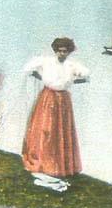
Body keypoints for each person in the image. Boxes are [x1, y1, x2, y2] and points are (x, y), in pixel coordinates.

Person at [22, 37, 90, 192]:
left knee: (61, 132)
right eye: (59, 50)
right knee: (46, 130)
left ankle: (61, 165)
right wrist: (39, 76)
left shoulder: (72, 65)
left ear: (69, 52)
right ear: (55, 50)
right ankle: (43, 161)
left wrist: (73, 80)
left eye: (65, 51)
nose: (62, 54)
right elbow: (28, 68)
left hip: (63, 100)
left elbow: (86, 75)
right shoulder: (46, 62)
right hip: (48, 97)